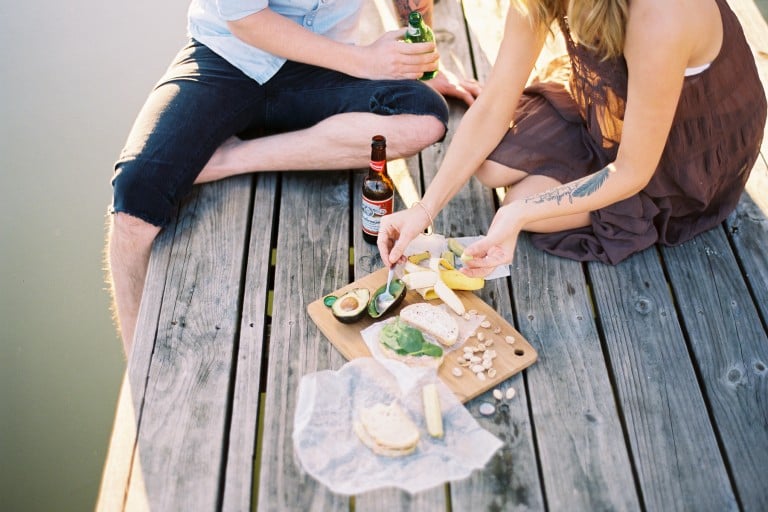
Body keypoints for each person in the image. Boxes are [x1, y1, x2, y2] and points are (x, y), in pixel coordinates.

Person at [107, 0, 481, 354]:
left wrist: (425, 67)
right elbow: (244, 16)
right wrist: (363, 60)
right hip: (227, 57)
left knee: (424, 117)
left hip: (322, 64)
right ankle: (139, 366)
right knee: (134, 197)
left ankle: (230, 158)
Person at [378, 0, 766, 278]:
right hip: (613, 105)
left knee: (519, 203)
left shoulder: (660, 14)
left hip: (683, 147)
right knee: (489, 166)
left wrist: (519, 214)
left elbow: (633, 170)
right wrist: (424, 210)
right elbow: (495, 103)